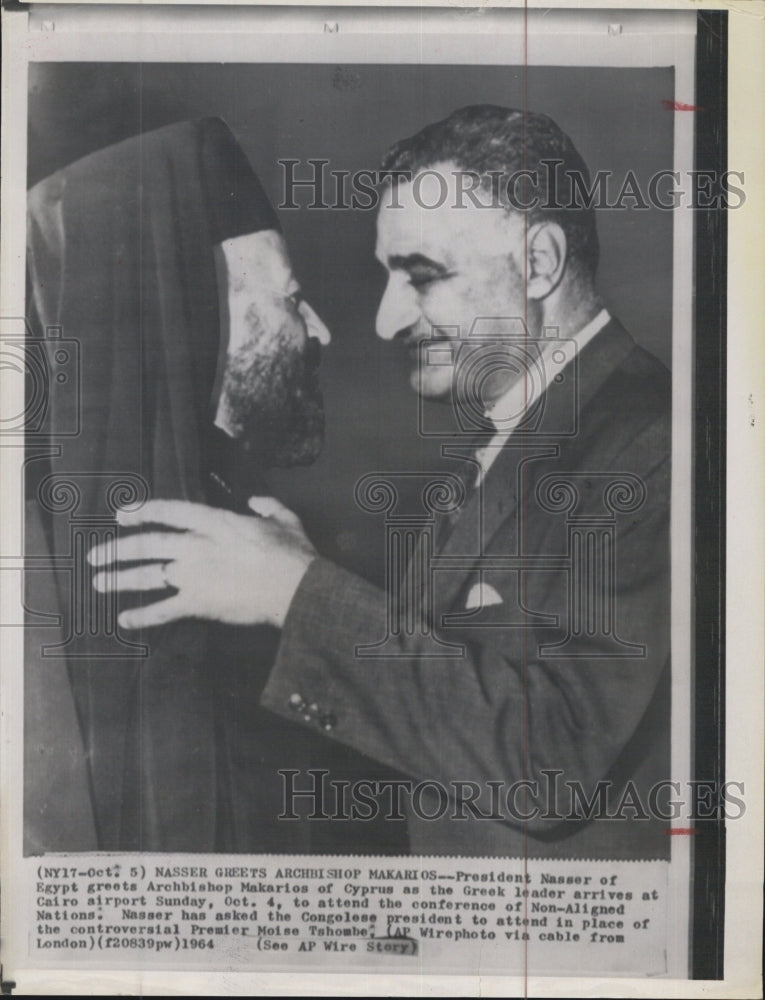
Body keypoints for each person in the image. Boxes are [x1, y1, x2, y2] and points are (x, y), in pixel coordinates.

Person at [89, 106, 671, 859]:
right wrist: (299, 592)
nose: (384, 319)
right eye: (387, 277)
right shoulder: (532, 438)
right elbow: (448, 715)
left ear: (537, 263)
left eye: (421, 276)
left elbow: (552, 761)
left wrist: (296, 593)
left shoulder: (653, 444)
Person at [25, 116, 405, 855]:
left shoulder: (254, 534)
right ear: (195, 316)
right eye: (292, 298)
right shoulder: (31, 564)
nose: (320, 331)